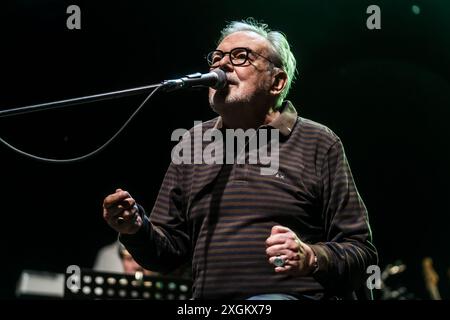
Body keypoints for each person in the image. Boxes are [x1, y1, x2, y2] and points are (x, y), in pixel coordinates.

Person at [102, 18, 378, 300]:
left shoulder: (319, 142)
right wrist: (136, 229)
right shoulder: (193, 142)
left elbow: (361, 251)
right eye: (217, 57)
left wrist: (311, 257)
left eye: (241, 56)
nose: (222, 65)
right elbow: (168, 252)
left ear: (277, 82)